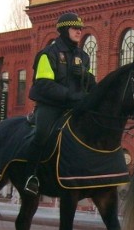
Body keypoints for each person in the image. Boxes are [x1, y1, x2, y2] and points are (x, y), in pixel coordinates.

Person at [24, 12, 96, 196]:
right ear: (64, 30)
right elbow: (43, 85)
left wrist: (86, 76)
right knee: (41, 134)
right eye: (75, 28)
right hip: (51, 106)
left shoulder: (83, 57)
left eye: (80, 28)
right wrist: (70, 95)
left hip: (75, 107)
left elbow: (90, 85)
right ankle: (31, 176)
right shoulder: (48, 54)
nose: (79, 31)